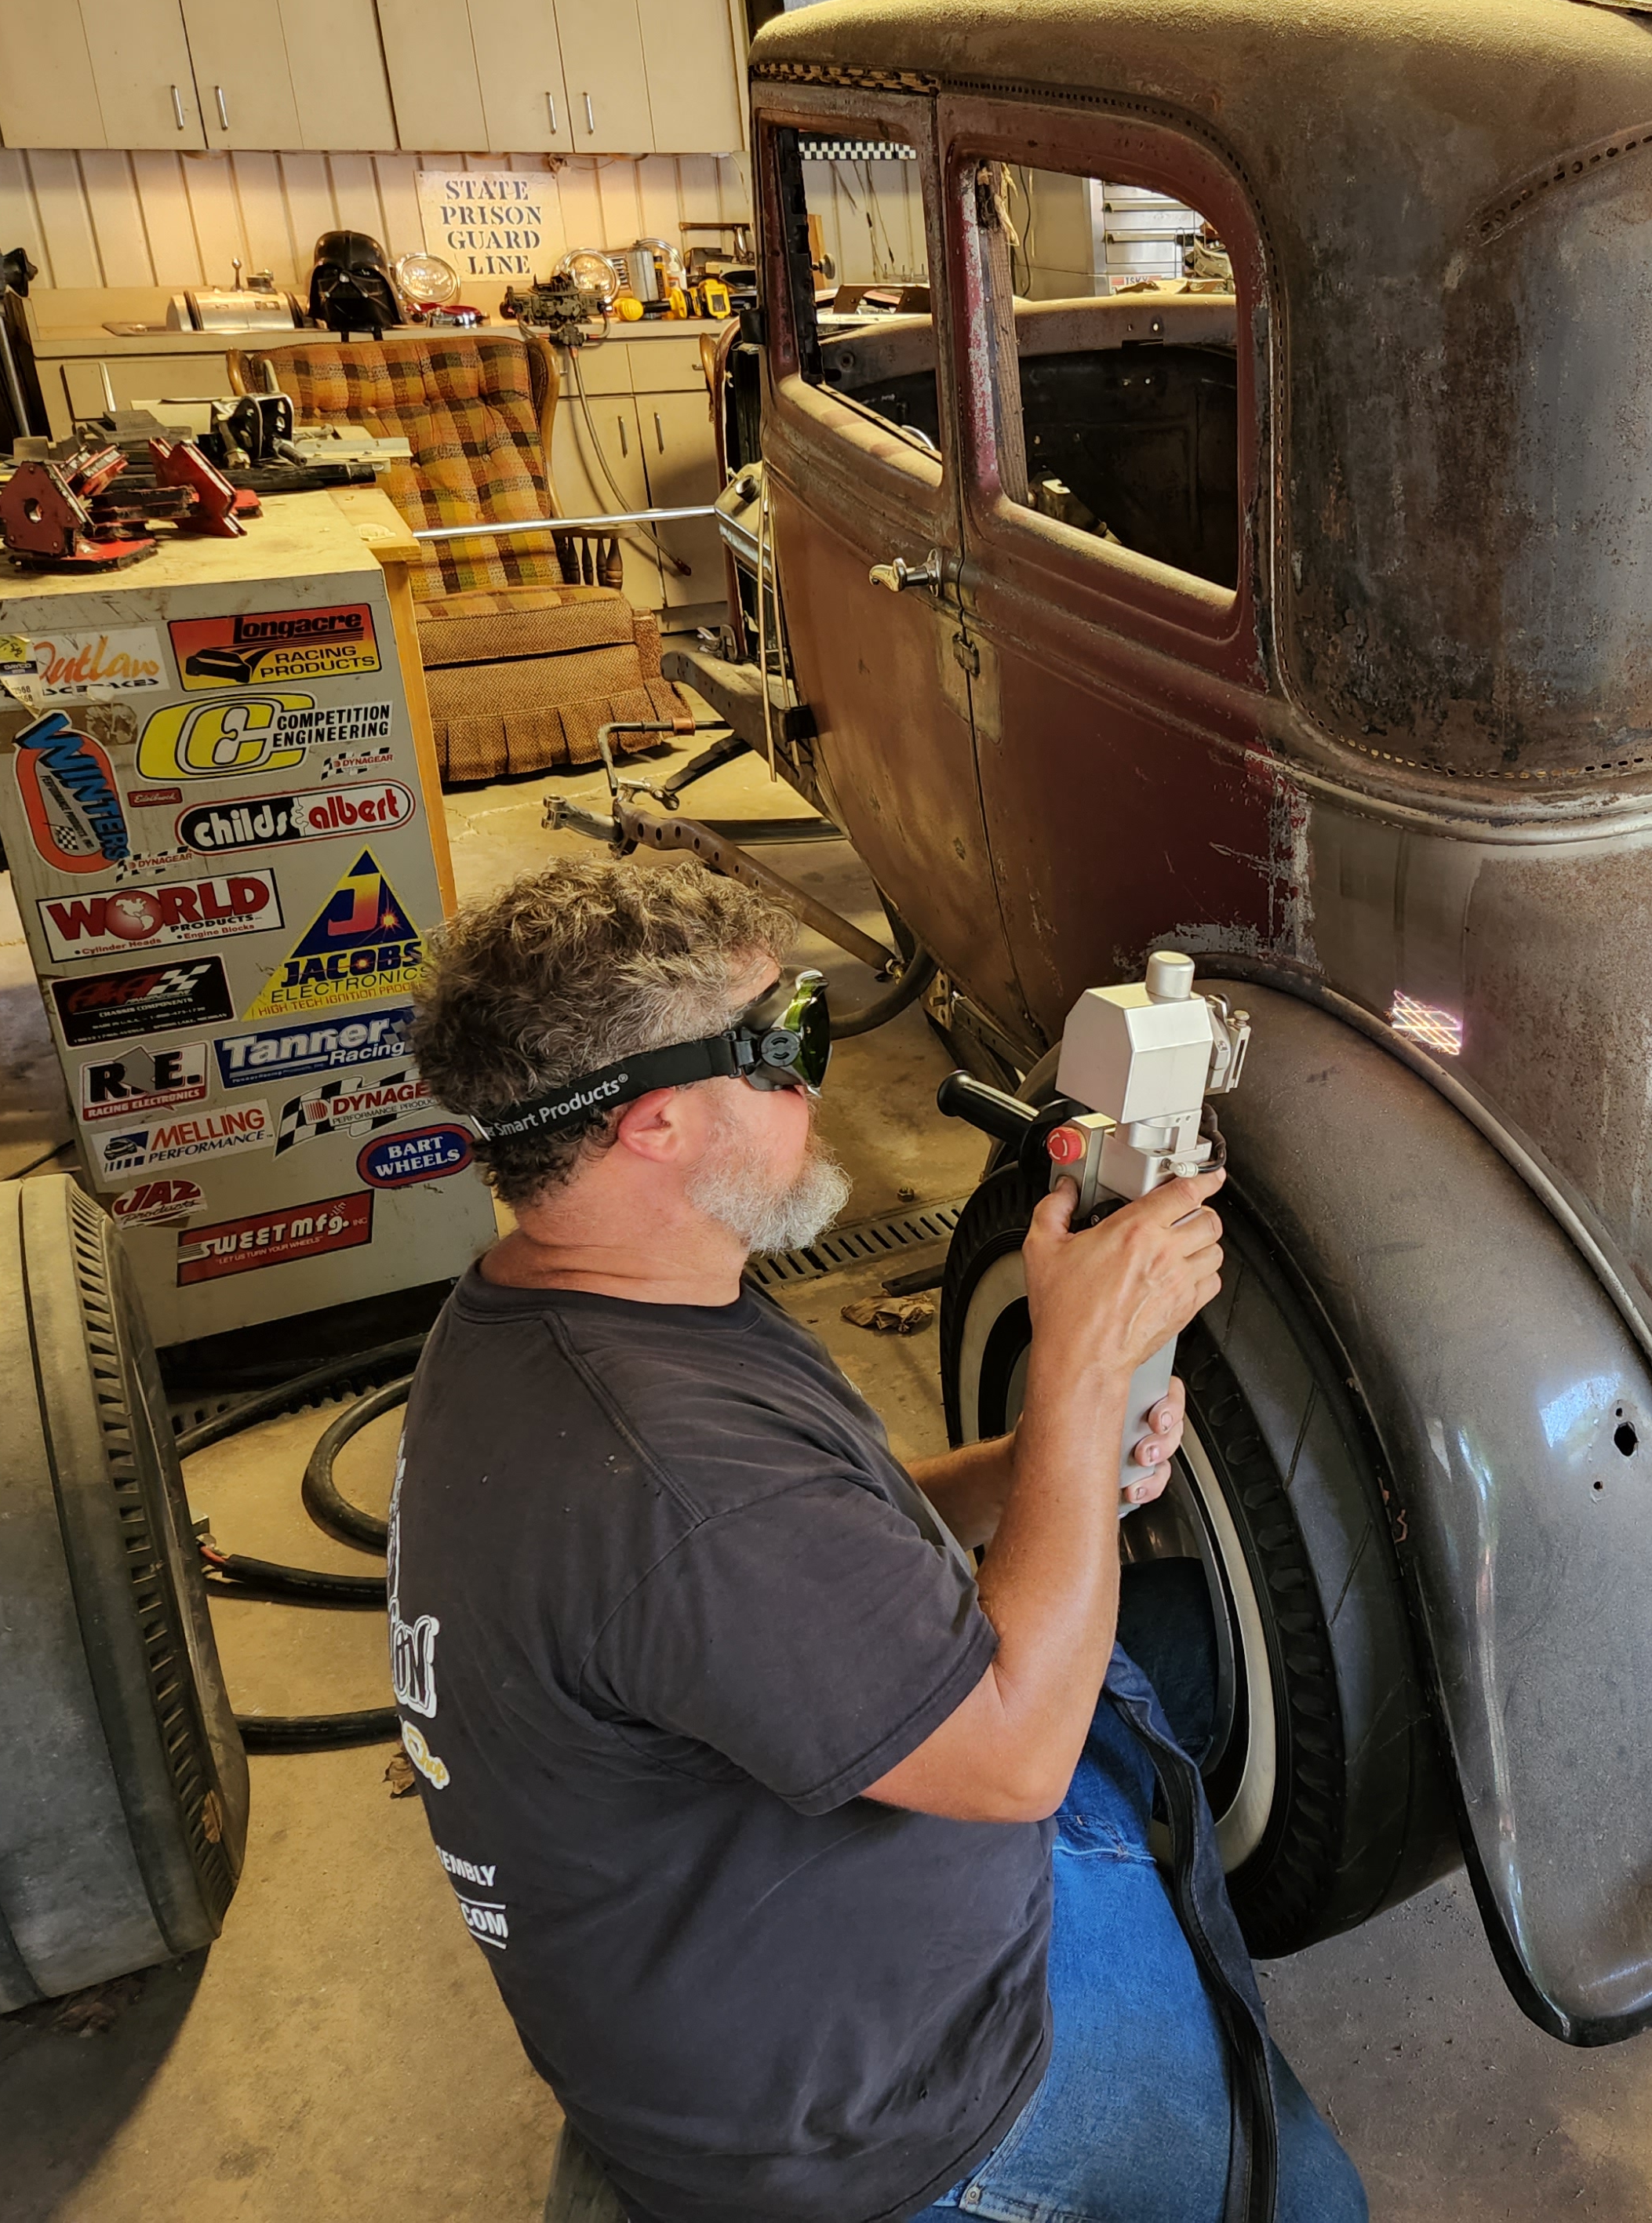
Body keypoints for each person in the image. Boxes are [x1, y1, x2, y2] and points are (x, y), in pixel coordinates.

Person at [395, 857, 1366, 2223]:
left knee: (1194, 1652)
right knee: (1311, 2207)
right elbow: (1019, 1755)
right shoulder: (678, 1481)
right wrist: (1083, 1376)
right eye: (784, 1042)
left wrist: (1038, 1470)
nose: (817, 1074)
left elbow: (817, 1521)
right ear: (659, 1123)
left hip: (765, 1909)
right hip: (882, 2113)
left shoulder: (590, 1306)